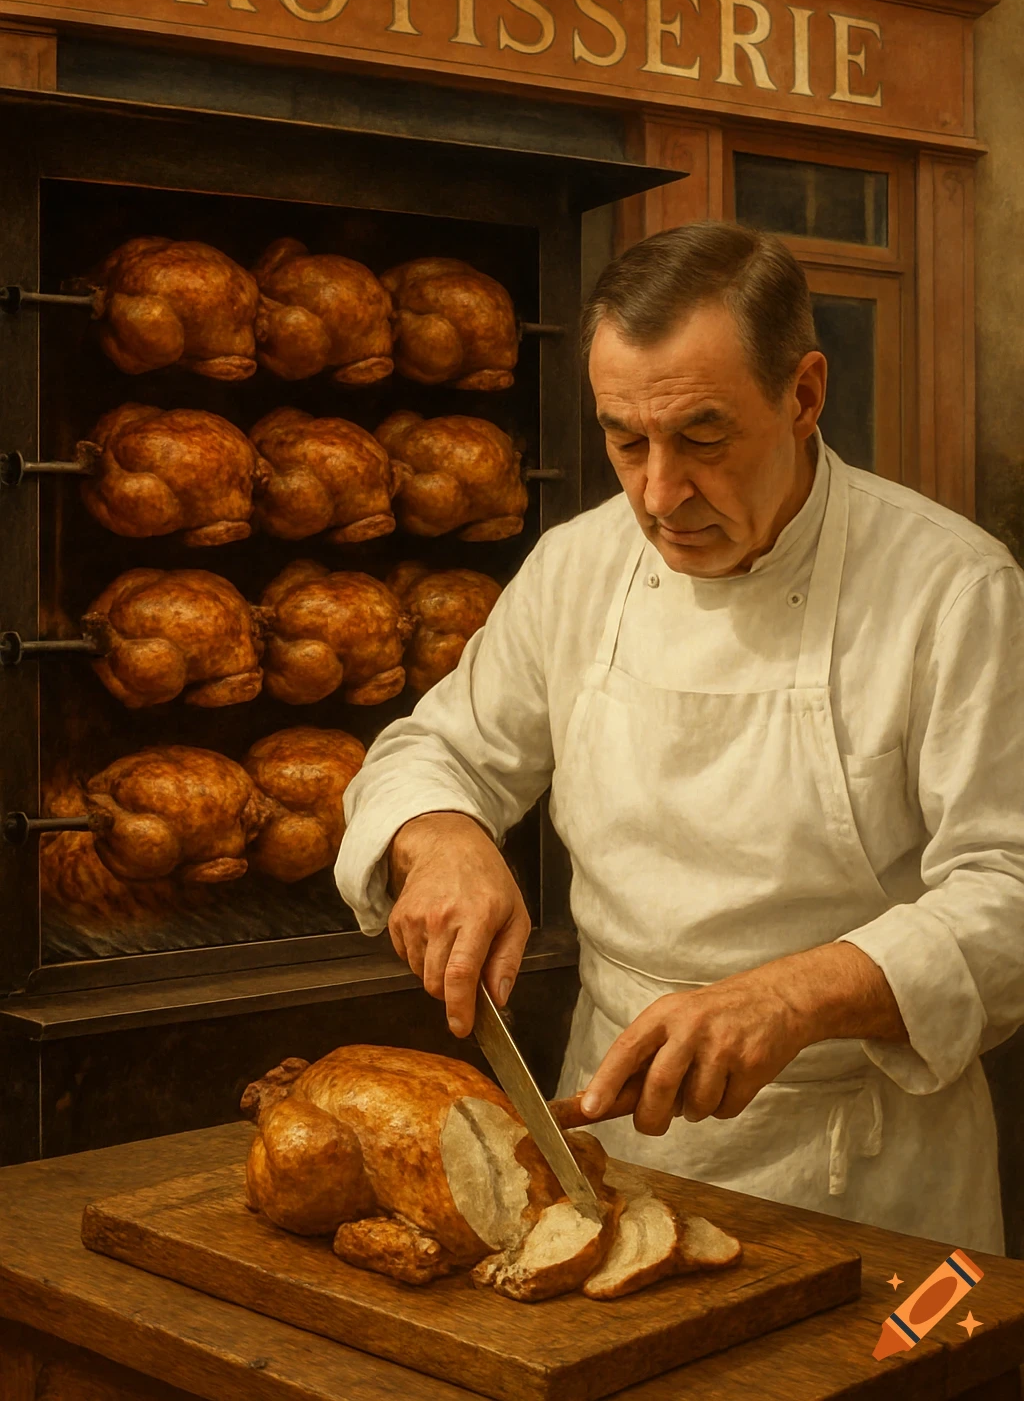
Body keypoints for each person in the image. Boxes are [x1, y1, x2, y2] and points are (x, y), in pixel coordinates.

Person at [335, 221, 1024, 1252]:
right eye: (626, 441)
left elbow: (1009, 888)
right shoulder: (576, 569)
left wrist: (796, 995)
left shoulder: (953, 590)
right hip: (607, 1148)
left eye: (703, 438)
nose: (659, 495)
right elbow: (431, 751)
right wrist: (439, 838)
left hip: (873, 1179)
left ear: (802, 396)